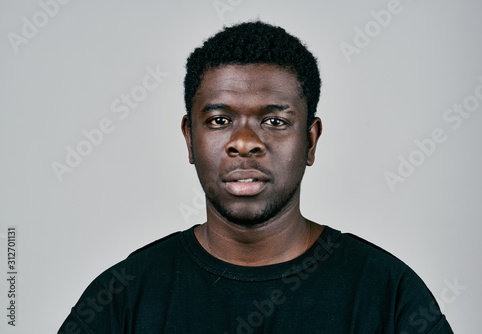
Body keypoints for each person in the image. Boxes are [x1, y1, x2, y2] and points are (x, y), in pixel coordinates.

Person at [58, 21, 453, 333]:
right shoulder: (122, 297)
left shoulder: (388, 294)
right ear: (190, 140)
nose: (244, 142)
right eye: (220, 120)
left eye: (274, 121)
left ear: (310, 141)